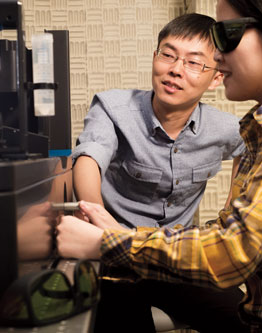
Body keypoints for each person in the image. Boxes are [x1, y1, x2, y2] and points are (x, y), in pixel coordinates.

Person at [57, 0, 262, 331]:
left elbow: (231, 251)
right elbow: (89, 156)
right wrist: (106, 227)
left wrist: (104, 241)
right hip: (145, 255)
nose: (218, 57)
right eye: (168, 55)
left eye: (227, 35)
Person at [70, 13, 247, 332]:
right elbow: (89, 158)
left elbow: (249, 150)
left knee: (242, 318)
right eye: (168, 54)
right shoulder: (113, 107)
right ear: (155, 57)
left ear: (217, 77)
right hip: (115, 256)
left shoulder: (226, 128)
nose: (175, 69)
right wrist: (101, 223)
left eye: (194, 63)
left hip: (172, 257)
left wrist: (230, 212)